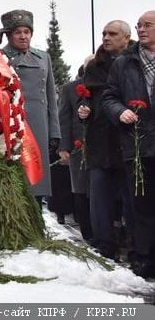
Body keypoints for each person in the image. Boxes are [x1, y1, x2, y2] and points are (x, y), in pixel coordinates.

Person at [72, 21, 133, 261]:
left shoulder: (135, 62)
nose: (106, 38)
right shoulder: (95, 67)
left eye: (113, 34)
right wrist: (83, 108)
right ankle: (104, 244)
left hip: (129, 137)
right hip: (100, 138)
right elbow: (84, 96)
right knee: (99, 196)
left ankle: (135, 243)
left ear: (126, 38)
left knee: (132, 197)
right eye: (104, 33)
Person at [102, 11, 155, 278]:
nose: (142, 30)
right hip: (138, 145)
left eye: (148, 25)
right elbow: (109, 97)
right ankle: (144, 258)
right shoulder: (124, 63)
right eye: (139, 26)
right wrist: (119, 111)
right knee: (141, 205)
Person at [0, 9, 60, 204]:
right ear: (9, 34)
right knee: (16, 180)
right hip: (12, 125)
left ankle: (37, 224)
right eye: (17, 32)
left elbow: (50, 96)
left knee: (37, 181)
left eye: (27, 32)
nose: (23, 36)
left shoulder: (43, 58)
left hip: (39, 126)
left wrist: (54, 131)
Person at [57, 57, 94, 241]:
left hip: (102, 147)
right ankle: (87, 233)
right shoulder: (69, 89)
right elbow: (63, 120)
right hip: (78, 146)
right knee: (80, 188)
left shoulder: (106, 85)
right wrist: (64, 147)